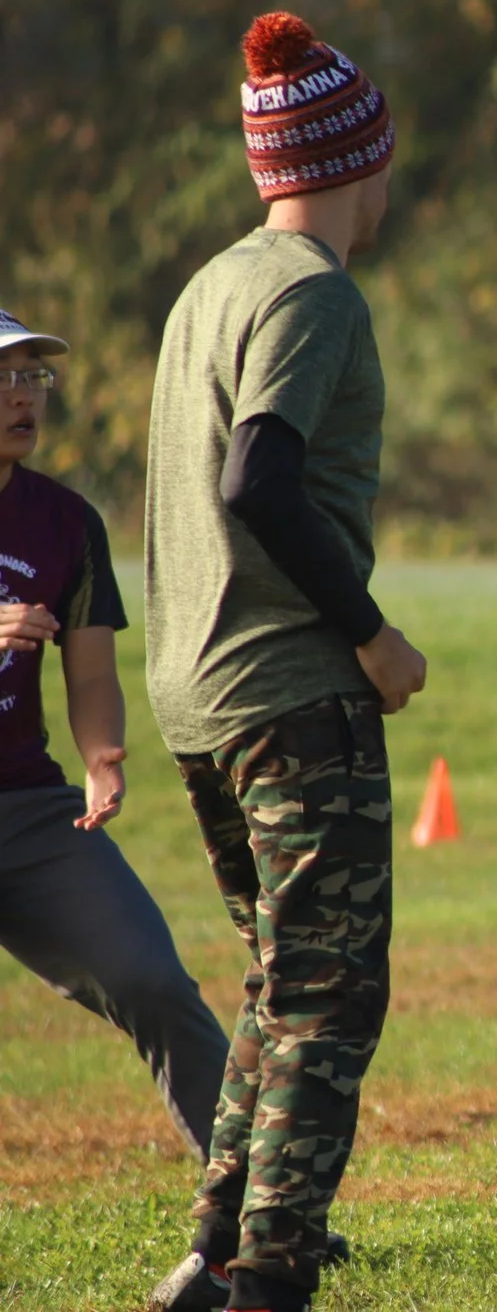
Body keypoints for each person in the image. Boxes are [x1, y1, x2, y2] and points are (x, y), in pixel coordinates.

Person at [143, 13, 428, 1312]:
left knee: (277, 979)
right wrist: (366, 627)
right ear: (351, 159)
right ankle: (270, 1277)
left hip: (197, 693)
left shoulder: (211, 282)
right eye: (380, 160)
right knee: (327, 999)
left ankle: (214, 1252)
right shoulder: (313, 290)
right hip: (290, 687)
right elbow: (260, 473)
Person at [0, 311, 233, 1157]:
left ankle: (261, 1211)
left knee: (155, 980)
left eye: (34, 376)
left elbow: (91, 673)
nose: (22, 395)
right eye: (3, 378)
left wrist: (101, 759)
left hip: (26, 808)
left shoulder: (66, 522)